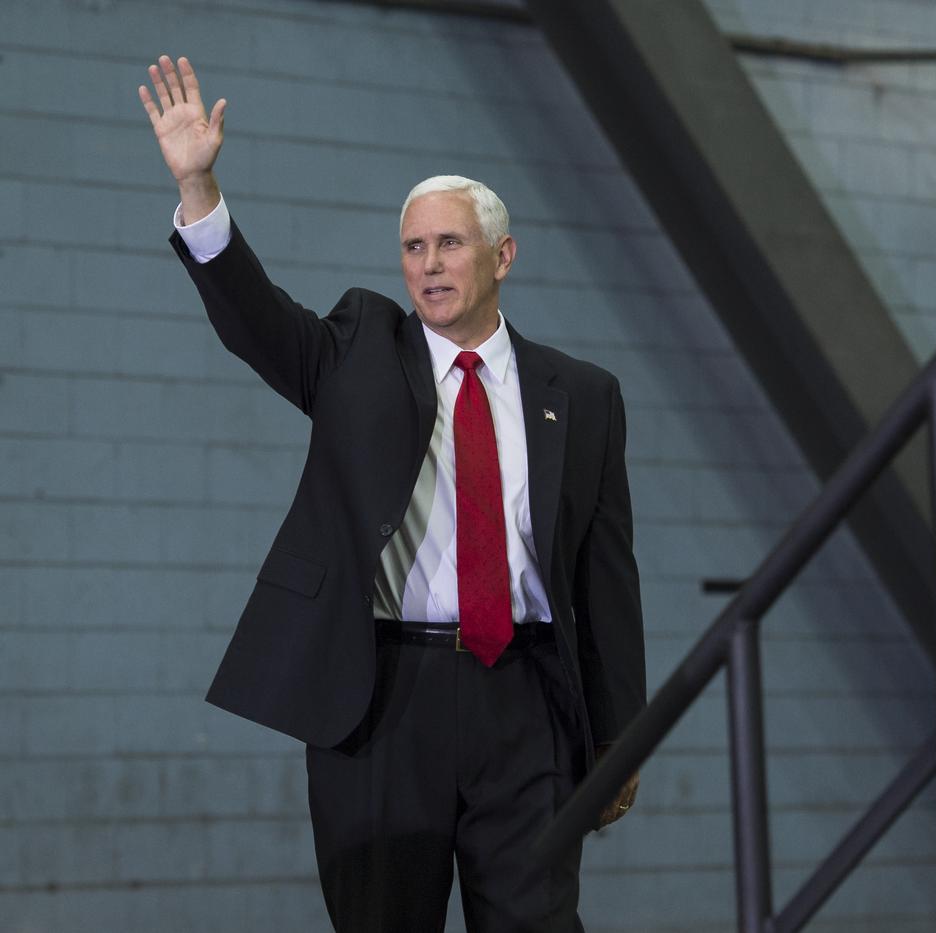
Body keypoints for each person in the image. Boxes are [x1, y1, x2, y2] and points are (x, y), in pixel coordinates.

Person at [138, 54, 645, 932]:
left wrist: (618, 735)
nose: (429, 264)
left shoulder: (584, 395)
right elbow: (256, 318)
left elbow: (608, 576)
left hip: (526, 701)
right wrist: (200, 187)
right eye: (414, 246)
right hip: (379, 700)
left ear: (502, 254)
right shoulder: (357, 348)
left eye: (449, 243)